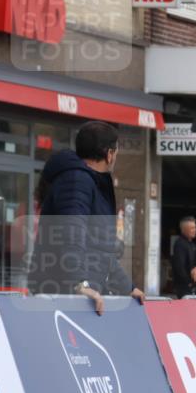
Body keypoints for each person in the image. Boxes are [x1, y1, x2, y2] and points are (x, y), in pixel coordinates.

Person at [28, 121, 145, 315]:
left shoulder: (90, 182)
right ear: (109, 154)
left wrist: (127, 287)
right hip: (66, 296)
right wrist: (79, 283)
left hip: (82, 295)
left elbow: (101, 250)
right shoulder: (77, 180)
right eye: (116, 151)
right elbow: (71, 233)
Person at [171, 216, 196, 298]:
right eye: (192, 228)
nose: (195, 230)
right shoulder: (180, 244)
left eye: (195, 227)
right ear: (184, 230)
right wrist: (188, 282)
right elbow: (179, 266)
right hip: (184, 286)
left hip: (190, 284)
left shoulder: (191, 244)